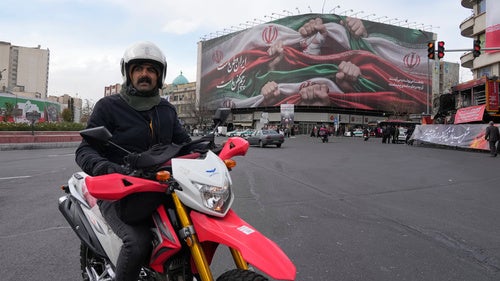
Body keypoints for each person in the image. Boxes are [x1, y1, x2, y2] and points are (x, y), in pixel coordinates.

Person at [75, 41, 192, 281]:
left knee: (192, 229)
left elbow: (184, 145)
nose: (144, 74)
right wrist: (106, 169)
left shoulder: (166, 110)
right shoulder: (109, 106)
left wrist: (212, 149)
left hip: (162, 187)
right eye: (138, 68)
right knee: (137, 243)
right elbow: (85, 149)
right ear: (128, 73)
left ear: (159, 76)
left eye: (151, 69)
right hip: (120, 191)